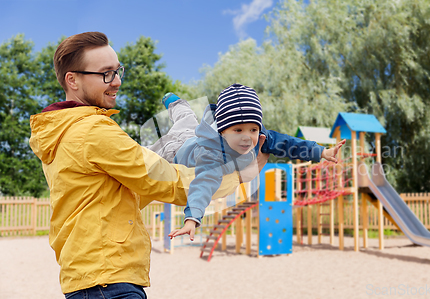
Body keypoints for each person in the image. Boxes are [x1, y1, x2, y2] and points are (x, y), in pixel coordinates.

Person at [29, 32, 267, 298]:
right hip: (108, 282)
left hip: (94, 277)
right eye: (106, 74)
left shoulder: (63, 131)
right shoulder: (92, 131)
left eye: (118, 71)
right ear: (72, 79)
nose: (116, 81)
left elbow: (123, 193)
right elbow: (165, 181)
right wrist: (238, 174)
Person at [166, 83, 346, 240]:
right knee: (185, 122)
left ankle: (175, 102)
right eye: (238, 130)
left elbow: (289, 144)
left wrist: (322, 151)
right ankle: (174, 102)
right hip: (175, 150)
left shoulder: (261, 136)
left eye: (252, 129)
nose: (247, 137)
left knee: (188, 122)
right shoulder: (212, 153)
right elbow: (203, 183)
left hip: (196, 137)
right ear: (222, 131)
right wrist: (192, 219)